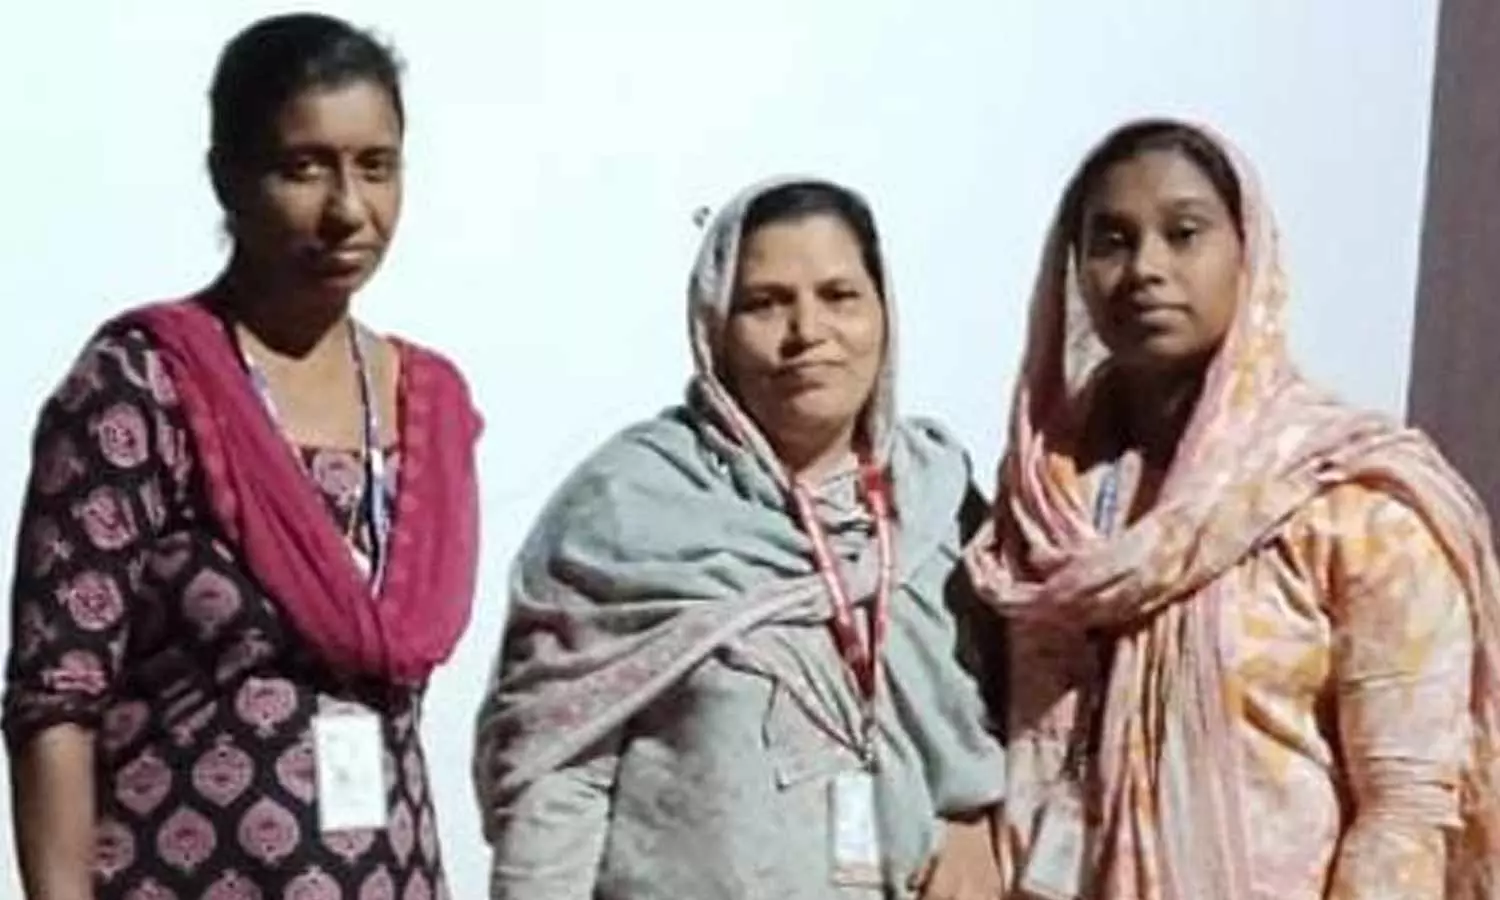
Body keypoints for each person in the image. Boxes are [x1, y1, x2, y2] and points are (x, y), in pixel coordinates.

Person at [3, 13, 482, 898]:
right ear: (227, 175)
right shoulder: (144, 386)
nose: (348, 210)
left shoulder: (427, 405)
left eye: (376, 166)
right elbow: (56, 698)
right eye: (304, 168)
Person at [965, 118, 1500, 899]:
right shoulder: (1044, 502)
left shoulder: (1349, 501)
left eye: (1184, 234)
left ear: (1249, 254)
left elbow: (1405, 808)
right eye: (1112, 241)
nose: (1145, 269)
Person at [473, 177, 1007, 899]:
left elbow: (1018, 720)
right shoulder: (631, 510)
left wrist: (980, 820)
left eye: (840, 296)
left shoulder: (937, 503)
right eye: (765, 303)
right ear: (714, 327)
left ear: (884, 312)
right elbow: (558, 774)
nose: (807, 331)